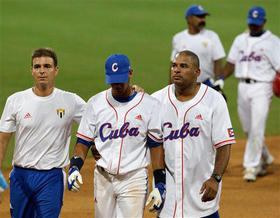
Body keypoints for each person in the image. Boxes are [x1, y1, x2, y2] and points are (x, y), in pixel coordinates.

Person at [67, 54, 166, 217]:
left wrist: (160, 183)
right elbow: (83, 141)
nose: (117, 85)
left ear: (130, 73)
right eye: (113, 80)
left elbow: (156, 145)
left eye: (120, 79)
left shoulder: (150, 105)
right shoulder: (95, 103)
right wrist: (74, 167)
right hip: (103, 177)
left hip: (134, 178)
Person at [0, 48, 86, 217]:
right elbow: (3, 139)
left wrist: (133, 93)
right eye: (37, 66)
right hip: (21, 176)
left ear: (56, 70)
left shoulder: (70, 100)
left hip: (51, 178)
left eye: (47, 66)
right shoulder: (16, 100)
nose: (42, 71)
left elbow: (97, 118)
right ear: (31, 70)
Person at [152, 50, 235, 217]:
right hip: (168, 200)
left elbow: (224, 144)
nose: (176, 70)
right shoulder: (156, 100)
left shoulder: (214, 100)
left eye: (184, 66)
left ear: (197, 73)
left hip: (201, 195)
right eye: (174, 66)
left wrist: (216, 178)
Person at [222, 6, 279, 182]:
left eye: (257, 24)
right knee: (248, 129)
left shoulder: (273, 42)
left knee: (257, 128)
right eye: (251, 24)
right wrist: (220, 78)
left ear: (264, 22)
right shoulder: (240, 39)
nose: (254, 27)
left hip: (263, 87)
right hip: (242, 87)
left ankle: (251, 167)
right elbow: (231, 63)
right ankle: (266, 158)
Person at [170, 4, 226, 93]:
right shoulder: (178, 38)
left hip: (206, 85)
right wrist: (171, 86)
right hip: (183, 86)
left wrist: (218, 81)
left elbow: (218, 61)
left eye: (204, 17)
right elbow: (173, 63)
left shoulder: (212, 36)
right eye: (199, 17)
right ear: (189, 18)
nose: (203, 20)